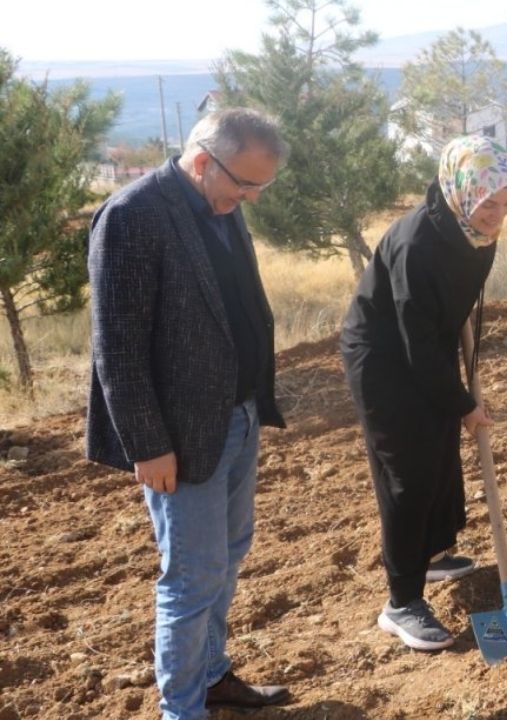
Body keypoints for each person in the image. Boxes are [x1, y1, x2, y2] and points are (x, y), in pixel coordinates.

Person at [86, 108, 291, 719]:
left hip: (239, 416)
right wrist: (148, 445)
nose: (251, 197)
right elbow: (116, 349)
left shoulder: (222, 205)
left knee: (229, 554)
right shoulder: (132, 217)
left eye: (261, 186)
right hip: (180, 436)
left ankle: (212, 674)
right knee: (193, 576)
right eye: (245, 184)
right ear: (203, 161)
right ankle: (183, 709)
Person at [340, 135, 507, 651]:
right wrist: (463, 403)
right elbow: (412, 343)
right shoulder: (417, 243)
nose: (497, 215)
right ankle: (401, 601)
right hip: (382, 356)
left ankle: (433, 552)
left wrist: (454, 398)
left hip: (425, 343)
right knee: (407, 474)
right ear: (462, 190)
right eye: (489, 204)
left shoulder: (477, 232)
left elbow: (453, 303)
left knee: (440, 454)